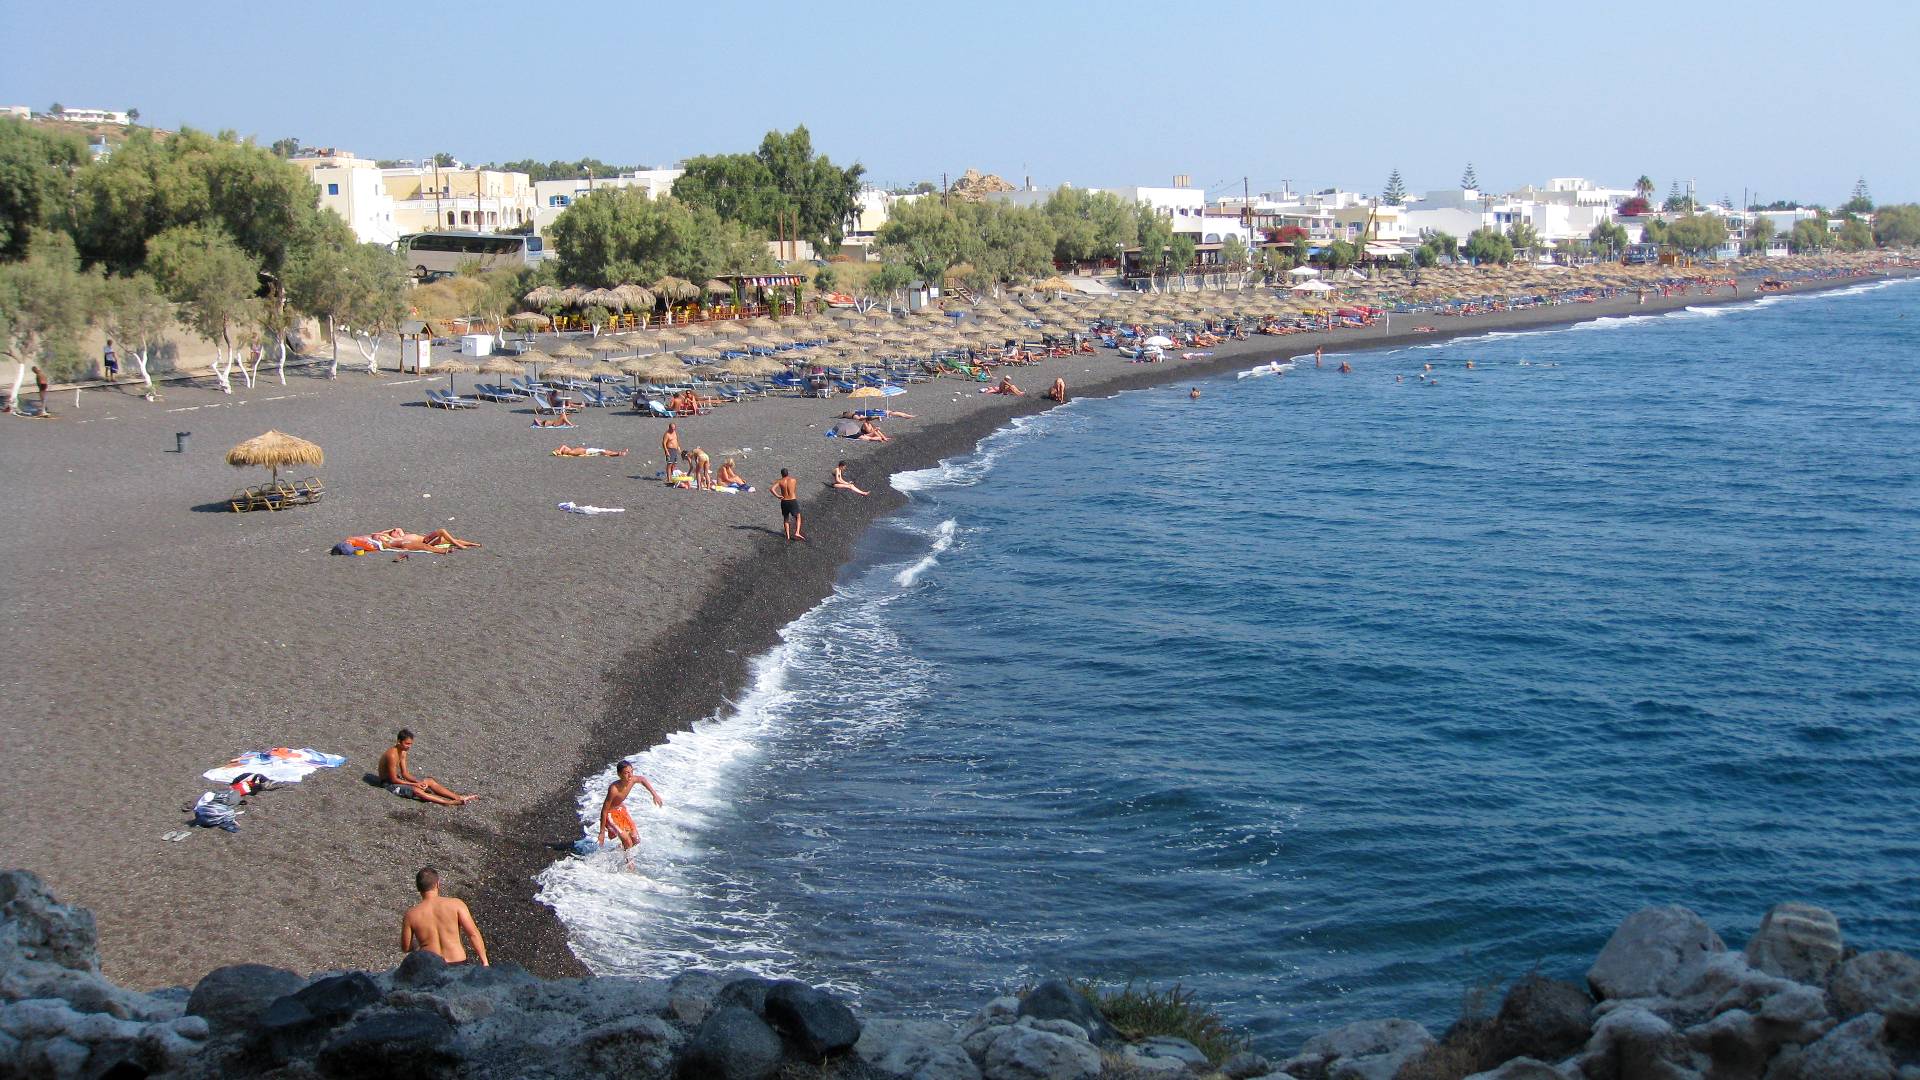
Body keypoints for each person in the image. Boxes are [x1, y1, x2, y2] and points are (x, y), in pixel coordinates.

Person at [401, 868, 488, 966]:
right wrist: (485, 962)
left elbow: (406, 947)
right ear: (438, 884)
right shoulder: (456, 904)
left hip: (430, 966)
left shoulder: (411, 915)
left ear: (418, 887)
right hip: (457, 963)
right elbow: (473, 935)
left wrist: (421, 945)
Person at [378, 730, 476, 806]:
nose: (409, 746)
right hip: (388, 783)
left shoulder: (403, 751)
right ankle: (446, 803)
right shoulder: (392, 755)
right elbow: (393, 779)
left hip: (397, 779)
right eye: (407, 744)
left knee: (429, 781)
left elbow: (405, 773)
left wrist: (419, 782)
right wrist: (415, 784)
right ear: (399, 741)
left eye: (410, 744)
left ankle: (458, 797)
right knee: (417, 791)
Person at [597, 760, 664, 867]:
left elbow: (642, 779)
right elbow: (604, 810)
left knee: (636, 840)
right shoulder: (613, 789)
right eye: (626, 773)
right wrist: (602, 832)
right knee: (628, 841)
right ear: (619, 774)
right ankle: (629, 865)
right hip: (610, 814)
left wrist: (654, 794)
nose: (630, 775)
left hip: (621, 810)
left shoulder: (632, 780)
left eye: (631, 772)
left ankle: (621, 848)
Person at [369, 528, 481, 553]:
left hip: (426, 539)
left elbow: (397, 528)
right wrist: (382, 534)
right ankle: (459, 545)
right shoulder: (393, 539)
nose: (396, 531)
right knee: (442, 533)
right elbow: (375, 535)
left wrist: (390, 530)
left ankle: (472, 544)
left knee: (445, 537)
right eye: (394, 531)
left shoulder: (401, 534)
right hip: (424, 543)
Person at [771, 469, 804, 542]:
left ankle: (788, 536)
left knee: (786, 518)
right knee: (798, 516)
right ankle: (797, 532)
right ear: (788, 473)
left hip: (784, 501)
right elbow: (793, 489)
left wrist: (778, 496)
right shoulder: (793, 480)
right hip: (792, 500)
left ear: (781, 474)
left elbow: (772, 489)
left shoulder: (780, 481)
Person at [552, 444, 627, 457]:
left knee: (603, 450)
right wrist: (560, 452)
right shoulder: (570, 452)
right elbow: (580, 454)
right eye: (557, 450)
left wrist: (559, 450)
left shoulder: (568, 450)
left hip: (587, 450)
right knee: (602, 452)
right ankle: (618, 454)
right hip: (587, 451)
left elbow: (563, 445)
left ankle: (618, 453)